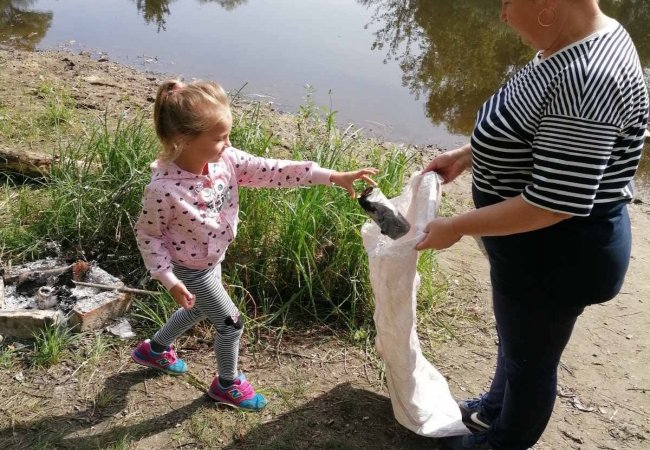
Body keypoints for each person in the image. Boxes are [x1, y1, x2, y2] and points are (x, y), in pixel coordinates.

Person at [415, 1, 648, 449]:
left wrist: (457, 226)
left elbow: (554, 203)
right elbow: (536, 127)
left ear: (547, 4)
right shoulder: (574, 40)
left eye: (508, 1)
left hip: (558, 255)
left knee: (531, 363)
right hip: (533, 249)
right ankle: (492, 410)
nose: (502, 14)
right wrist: (468, 154)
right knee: (517, 341)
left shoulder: (588, 77)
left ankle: (503, 441)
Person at [131, 79, 378, 411]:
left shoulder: (225, 161)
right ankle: (227, 384)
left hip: (212, 260)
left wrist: (332, 176)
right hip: (189, 270)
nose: (228, 143)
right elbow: (149, 235)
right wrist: (168, 279)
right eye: (219, 138)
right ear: (183, 139)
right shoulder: (163, 190)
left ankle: (155, 349)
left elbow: (273, 170)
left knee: (200, 309)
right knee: (230, 323)